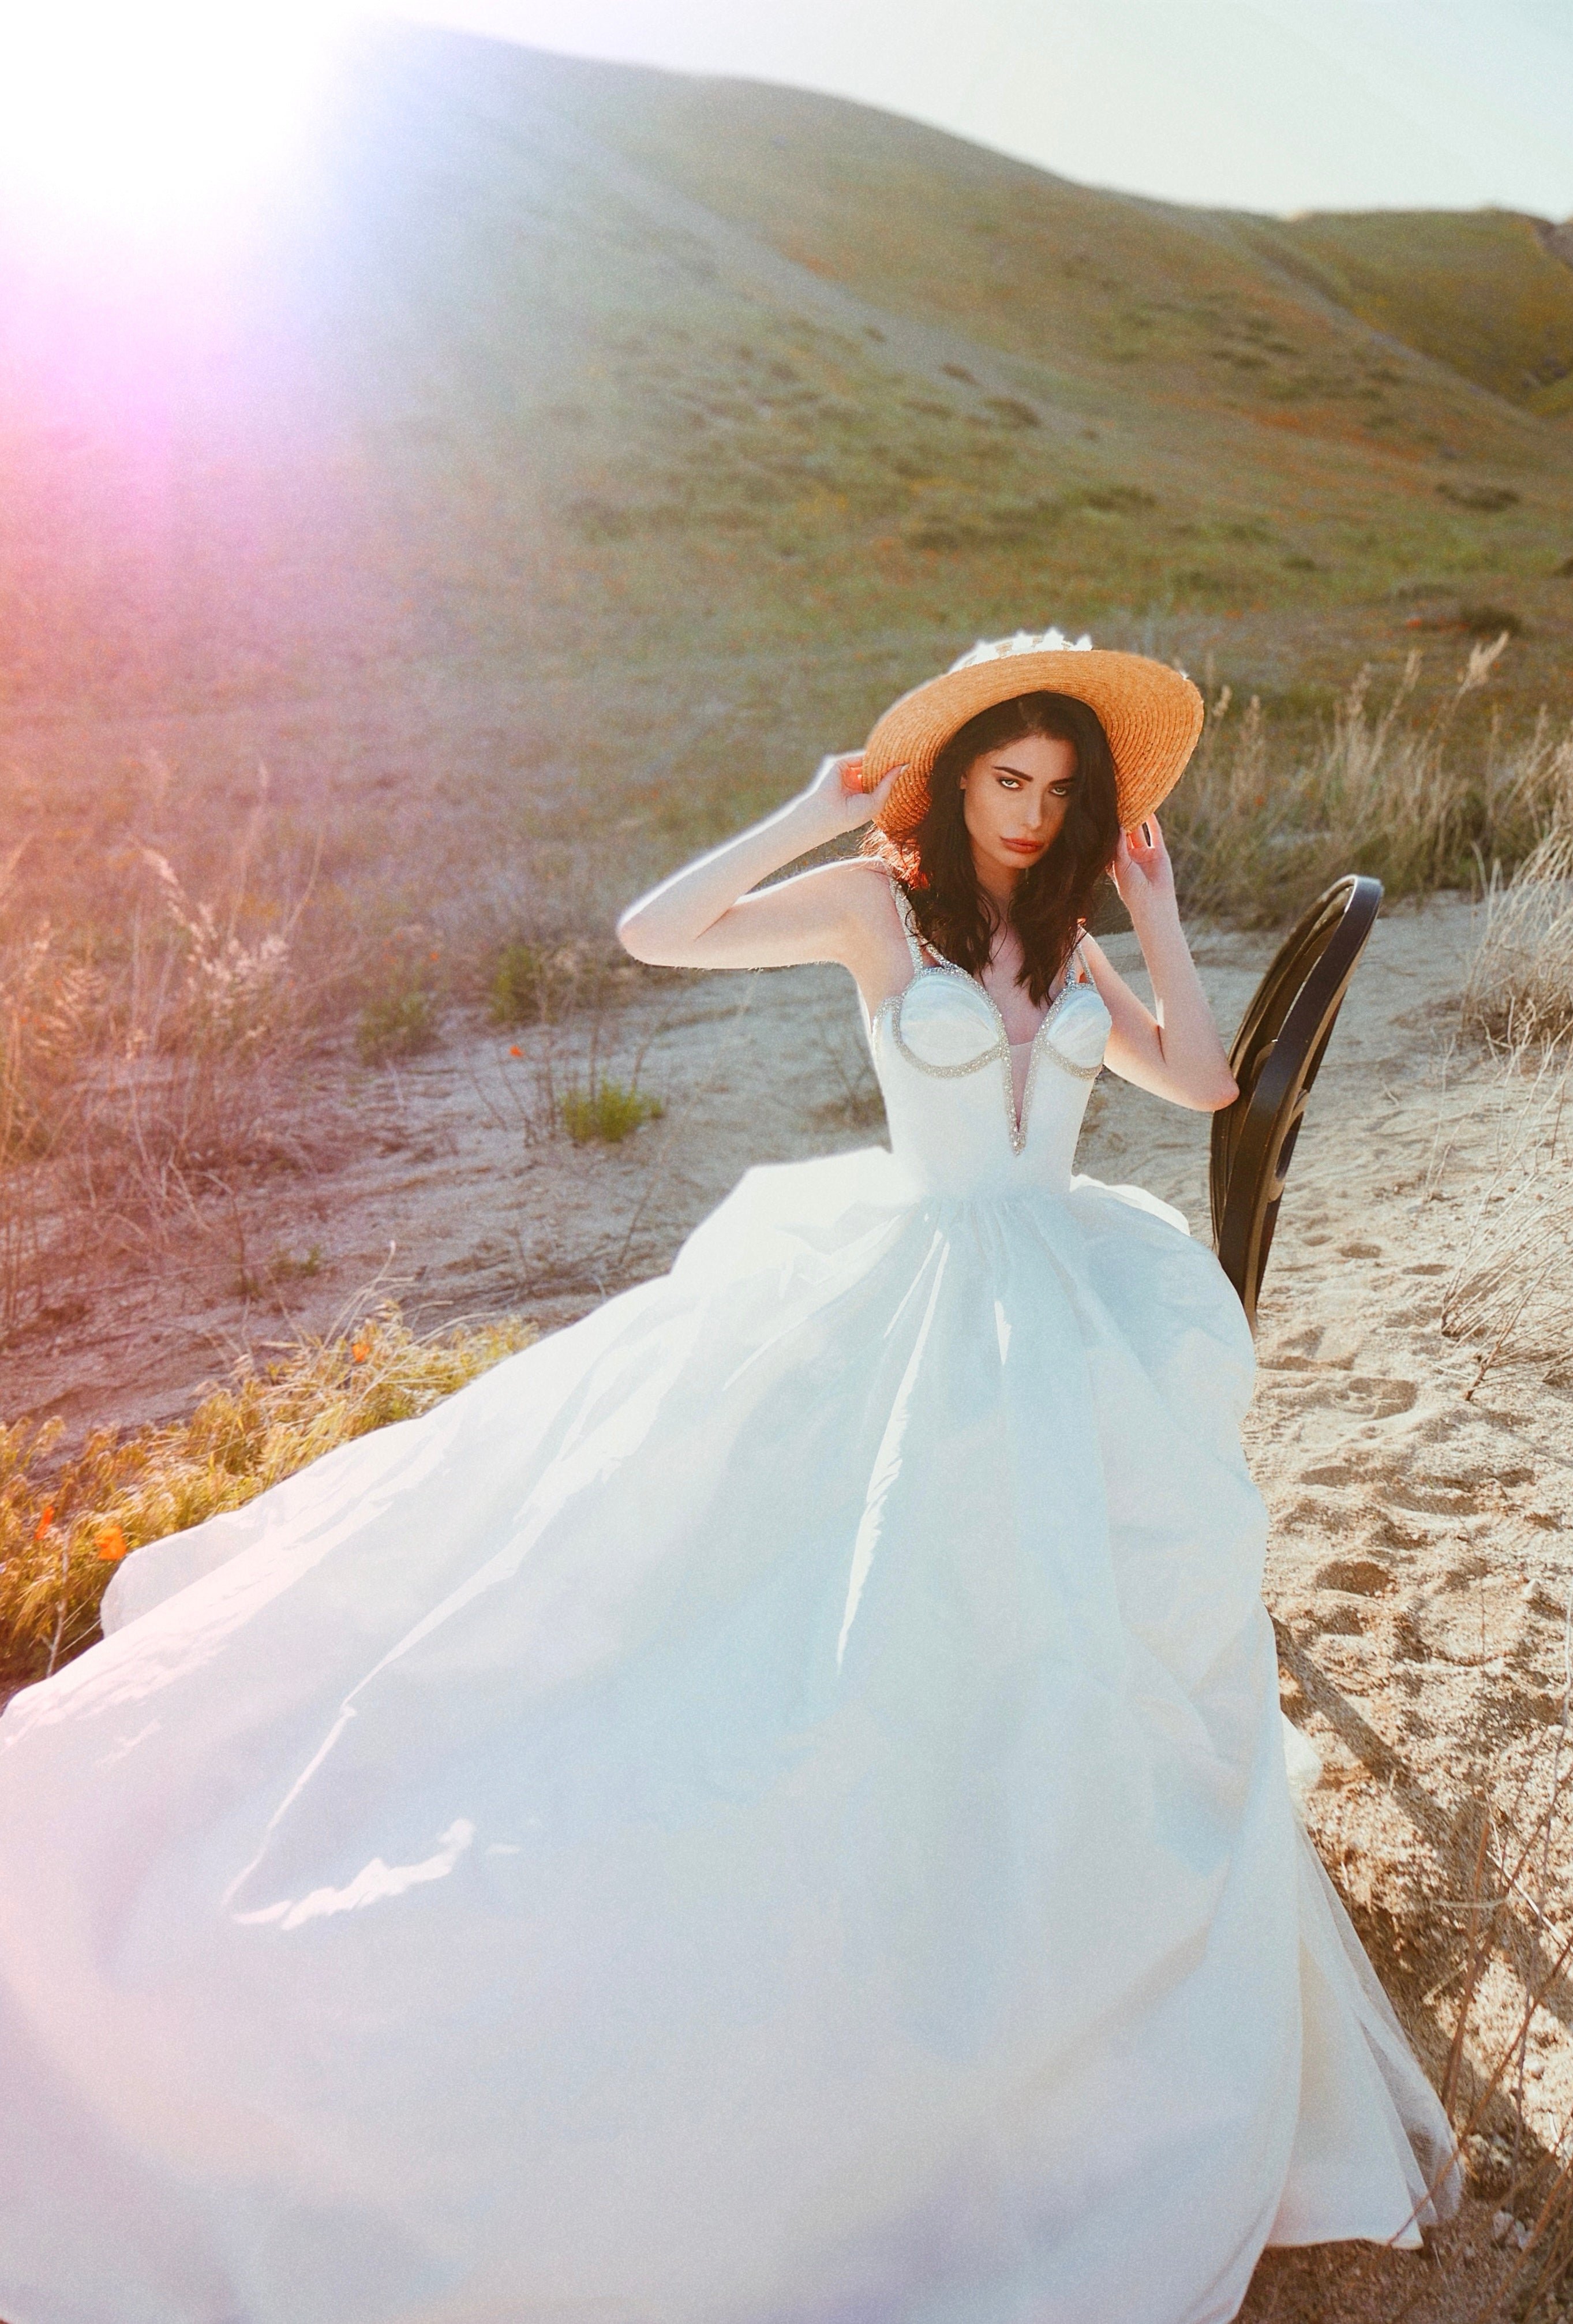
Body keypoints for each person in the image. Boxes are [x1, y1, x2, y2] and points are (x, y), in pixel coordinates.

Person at [0, 631, 1459, 2324]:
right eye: (1008, 780)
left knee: (1058, 1617)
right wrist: (801, 812)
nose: (1031, 810)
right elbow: (654, 931)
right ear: (960, 776)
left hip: (1054, 1293)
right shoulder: (873, 908)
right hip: (907, 1278)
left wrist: (1144, 912)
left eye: (1060, 791)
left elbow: (1201, 1077)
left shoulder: (1066, 944)